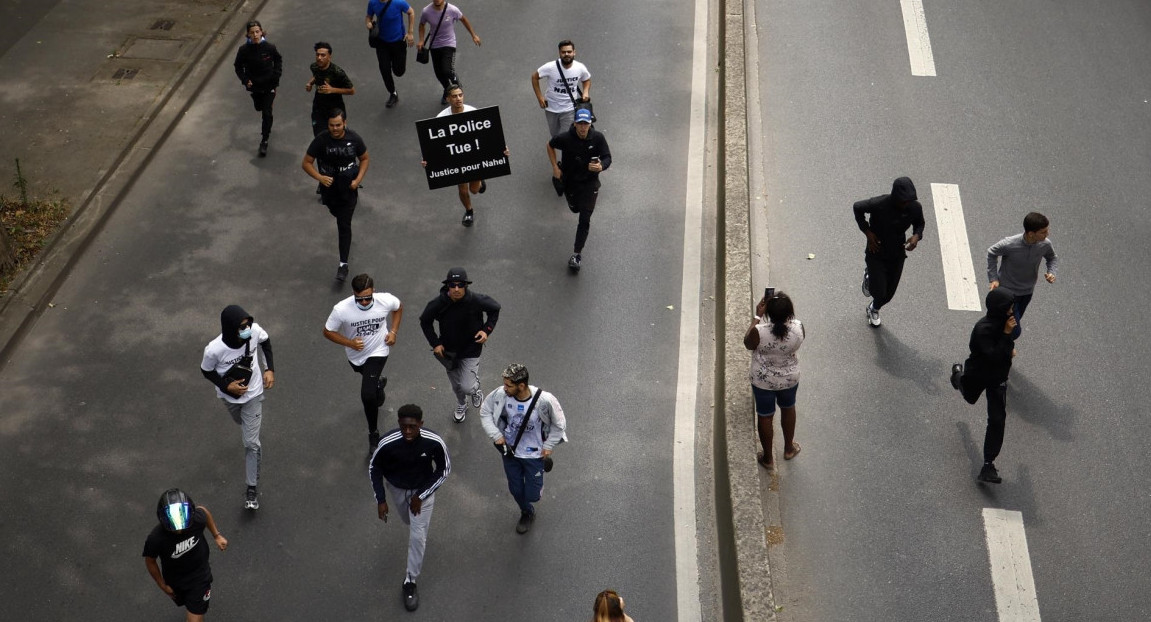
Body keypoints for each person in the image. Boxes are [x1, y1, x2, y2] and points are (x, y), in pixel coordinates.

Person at [369, 404, 451, 612]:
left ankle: (410, 581)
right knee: (407, 520)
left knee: (417, 536)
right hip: (397, 490)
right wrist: (381, 500)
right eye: (404, 426)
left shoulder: (433, 442)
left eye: (412, 427)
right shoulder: (388, 443)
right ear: (399, 424)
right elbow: (374, 468)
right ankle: (414, 523)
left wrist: (421, 495)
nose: (407, 431)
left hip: (422, 494)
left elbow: (444, 470)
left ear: (420, 424)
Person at [200, 305, 275, 510]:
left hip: (254, 395)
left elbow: (265, 342)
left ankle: (251, 488)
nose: (247, 329)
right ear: (230, 327)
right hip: (229, 399)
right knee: (241, 423)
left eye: (248, 324)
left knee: (251, 442)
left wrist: (269, 369)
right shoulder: (214, 350)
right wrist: (226, 386)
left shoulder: (255, 332)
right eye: (242, 327)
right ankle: (251, 426)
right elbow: (206, 371)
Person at [479, 363, 568, 534]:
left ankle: (542, 465)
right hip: (510, 451)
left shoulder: (544, 400)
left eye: (508, 385)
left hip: (534, 454)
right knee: (516, 490)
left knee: (533, 495)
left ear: (521, 386)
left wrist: (548, 445)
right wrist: (496, 435)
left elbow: (559, 424)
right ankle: (527, 512)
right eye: (504, 384)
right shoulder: (501, 394)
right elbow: (485, 411)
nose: (504, 388)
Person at [324, 273, 403, 456]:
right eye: (360, 299)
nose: (365, 302)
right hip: (355, 356)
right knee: (368, 379)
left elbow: (398, 308)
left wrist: (393, 332)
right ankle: (378, 383)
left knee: (367, 395)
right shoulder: (341, 309)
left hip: (378, 351)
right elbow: (327, 331)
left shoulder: (385, 300)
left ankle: (373, 433)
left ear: (373, 291)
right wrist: (349, 343)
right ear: (354, 294)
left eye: (368, 298)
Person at [950, 288, 1017, 484]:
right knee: (969, 397)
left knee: (997, 421)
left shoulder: (1006, 323)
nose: (1012, 312)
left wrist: (1009, 346)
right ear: (999, 309)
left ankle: (988, 464)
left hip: (998, 379)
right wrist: (1006, 336)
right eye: (1009, 308)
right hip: (979, 374)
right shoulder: (983, 329)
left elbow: (1004, 351)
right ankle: (957, 377)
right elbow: (993, 357)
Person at [418, 266, 501, 422]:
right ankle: (461, 404)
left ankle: (475, 390)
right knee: (457, 386)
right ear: (447, 286)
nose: (456, 289)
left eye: (460, 285)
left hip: (471, 349)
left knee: (467, 386)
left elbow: (495, 309)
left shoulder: (475, 300)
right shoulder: (438, 303)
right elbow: (425, 321)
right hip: (448, 352)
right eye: (452, 285)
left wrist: (486, 330)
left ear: (466, 286)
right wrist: (435, 343)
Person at [421, 84, 509, 226]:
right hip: (456, 159)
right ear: (448, 99)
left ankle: (480, 183)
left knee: (474, 190)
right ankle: (469, 211)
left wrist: (501, 149)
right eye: (454, 96)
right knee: (462, 189)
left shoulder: (473, 112)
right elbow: (434, 144)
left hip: (475, 156)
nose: (458, 99)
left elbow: (488, 135)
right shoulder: (441, 118)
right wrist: (427, 160)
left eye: (460, 95)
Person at [302, 108, 370, 282]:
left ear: (345, 123)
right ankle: (344, 243)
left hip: (348, 189)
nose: (335, 128)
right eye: (332, 125)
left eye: (338, 125)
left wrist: (358, 179)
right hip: (329, 189)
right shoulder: (321, 140)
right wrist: (320, 178)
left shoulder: (354, 139)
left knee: (343, 224)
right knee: (335, 213)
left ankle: (343, 264)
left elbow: (364, 158)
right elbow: (306, 163)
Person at [143, 489, 228, 622]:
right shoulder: (155, 539)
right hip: (175, 580)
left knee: (195, 618)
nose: (179, 529)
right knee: (189, 606)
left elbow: (203, 512)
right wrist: (162, 585)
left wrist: (217, 535)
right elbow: (150, 561)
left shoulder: (196, 519)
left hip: (199, 577)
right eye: (174, 525)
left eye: (182, 525)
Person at [742, 291, 804, 469]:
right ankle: (789, 448)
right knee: (788, 407)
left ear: (767, 312)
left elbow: (747, 343)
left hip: (763, 381)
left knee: (765, 415)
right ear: (790, 312)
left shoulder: (759, 332)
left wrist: (757, 316)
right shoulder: (798, 328)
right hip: (789, 379)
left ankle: (768, 458)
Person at [853, 176, 926, 327]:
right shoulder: (879, 204)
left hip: (897, 253)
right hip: (876, 250)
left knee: (888, 294)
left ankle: (873, 308)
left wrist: (916, 236)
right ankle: (869, 276)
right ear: (895, 197)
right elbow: (857, 207)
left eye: (909, 200)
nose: (906, 204)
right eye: (903, 201)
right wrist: (868, 233)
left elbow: (920, 223)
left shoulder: (914, 207)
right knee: (879, 291)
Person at [547, 108, 611, 272]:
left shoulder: (598, 138)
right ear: (574, 124)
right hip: (571, 182)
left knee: (585, 217)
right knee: (574, 208)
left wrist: (600, 166)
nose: (583, 128)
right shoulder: (566, 138)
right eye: (580, 124)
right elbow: (550, 145)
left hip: (590, 183)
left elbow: (607, 157)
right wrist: (555, 167)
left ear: (590, 124)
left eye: (586, 124)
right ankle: (574, 203)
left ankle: (577, 254)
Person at [986, 211, 1058, 341]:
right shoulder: (1010, 244)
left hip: (1027, 292)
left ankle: (994, 347)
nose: (1047, 234)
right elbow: (992, 252)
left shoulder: (1045, 244)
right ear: (1031, 233)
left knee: (1006, 324)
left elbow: (1052, 258)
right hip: (1007, 293)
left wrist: (1052, 272)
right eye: (1043, 232)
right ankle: (997, 348)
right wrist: (993, 278)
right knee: (1014, 330)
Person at [232, 21, 282, 157]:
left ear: (261, 32)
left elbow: (278, 60)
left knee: (267, 113)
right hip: (255, 87)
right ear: (248, 34)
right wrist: (245, 80)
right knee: (259, 107)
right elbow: (237, 67)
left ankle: (264, 140)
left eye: (257, 32)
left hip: (269, 86)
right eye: (252, 32)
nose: (255, 35)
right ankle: (259, 103)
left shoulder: (270, 48)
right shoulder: (243, 50)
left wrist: (276, 76)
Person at [416, 0, 480, 105]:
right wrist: (421, 40)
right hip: (435, 45)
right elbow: (422, 24)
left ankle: (456, 84)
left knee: (446, 70)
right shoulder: (426, 11)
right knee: (439, 74)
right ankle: (448, 90)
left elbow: (463, 19)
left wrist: (473, 35)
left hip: (449, 44)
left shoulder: (452, 9)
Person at [531, 40, 591, 138]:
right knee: (555, 137)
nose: (566, 54)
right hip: (551, 108)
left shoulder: (580, 67)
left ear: (574, 52)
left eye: (569, 52)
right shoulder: (550, 67)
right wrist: (540, 97)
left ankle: (566, 153)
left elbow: (587, 80)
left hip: (569, 108)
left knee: (567, 137)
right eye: (563, 52)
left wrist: (585, 92)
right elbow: (534, 77)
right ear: (559, 53)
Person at [366, 0, 415, 108]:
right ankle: (393, 93)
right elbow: (368, 16)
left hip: (398, 41)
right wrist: (368, 23)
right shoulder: (372, 3)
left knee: (399, 71)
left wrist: (410, 32)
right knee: (384, 69)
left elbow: (411, 12)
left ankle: (398, 64)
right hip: (382, 43)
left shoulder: (399, 2)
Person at [305, 42, 355, 137]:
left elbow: (352, 90)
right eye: (317, 55)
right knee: (319, 136)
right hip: (319, 106)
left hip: (335, 107)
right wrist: (310, 83)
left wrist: (332, 90)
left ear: (329, 57)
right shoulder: (314, 66)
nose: (319, 58)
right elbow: (316, 76)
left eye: (323, 55)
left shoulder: (338, 72)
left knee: (337, 136)